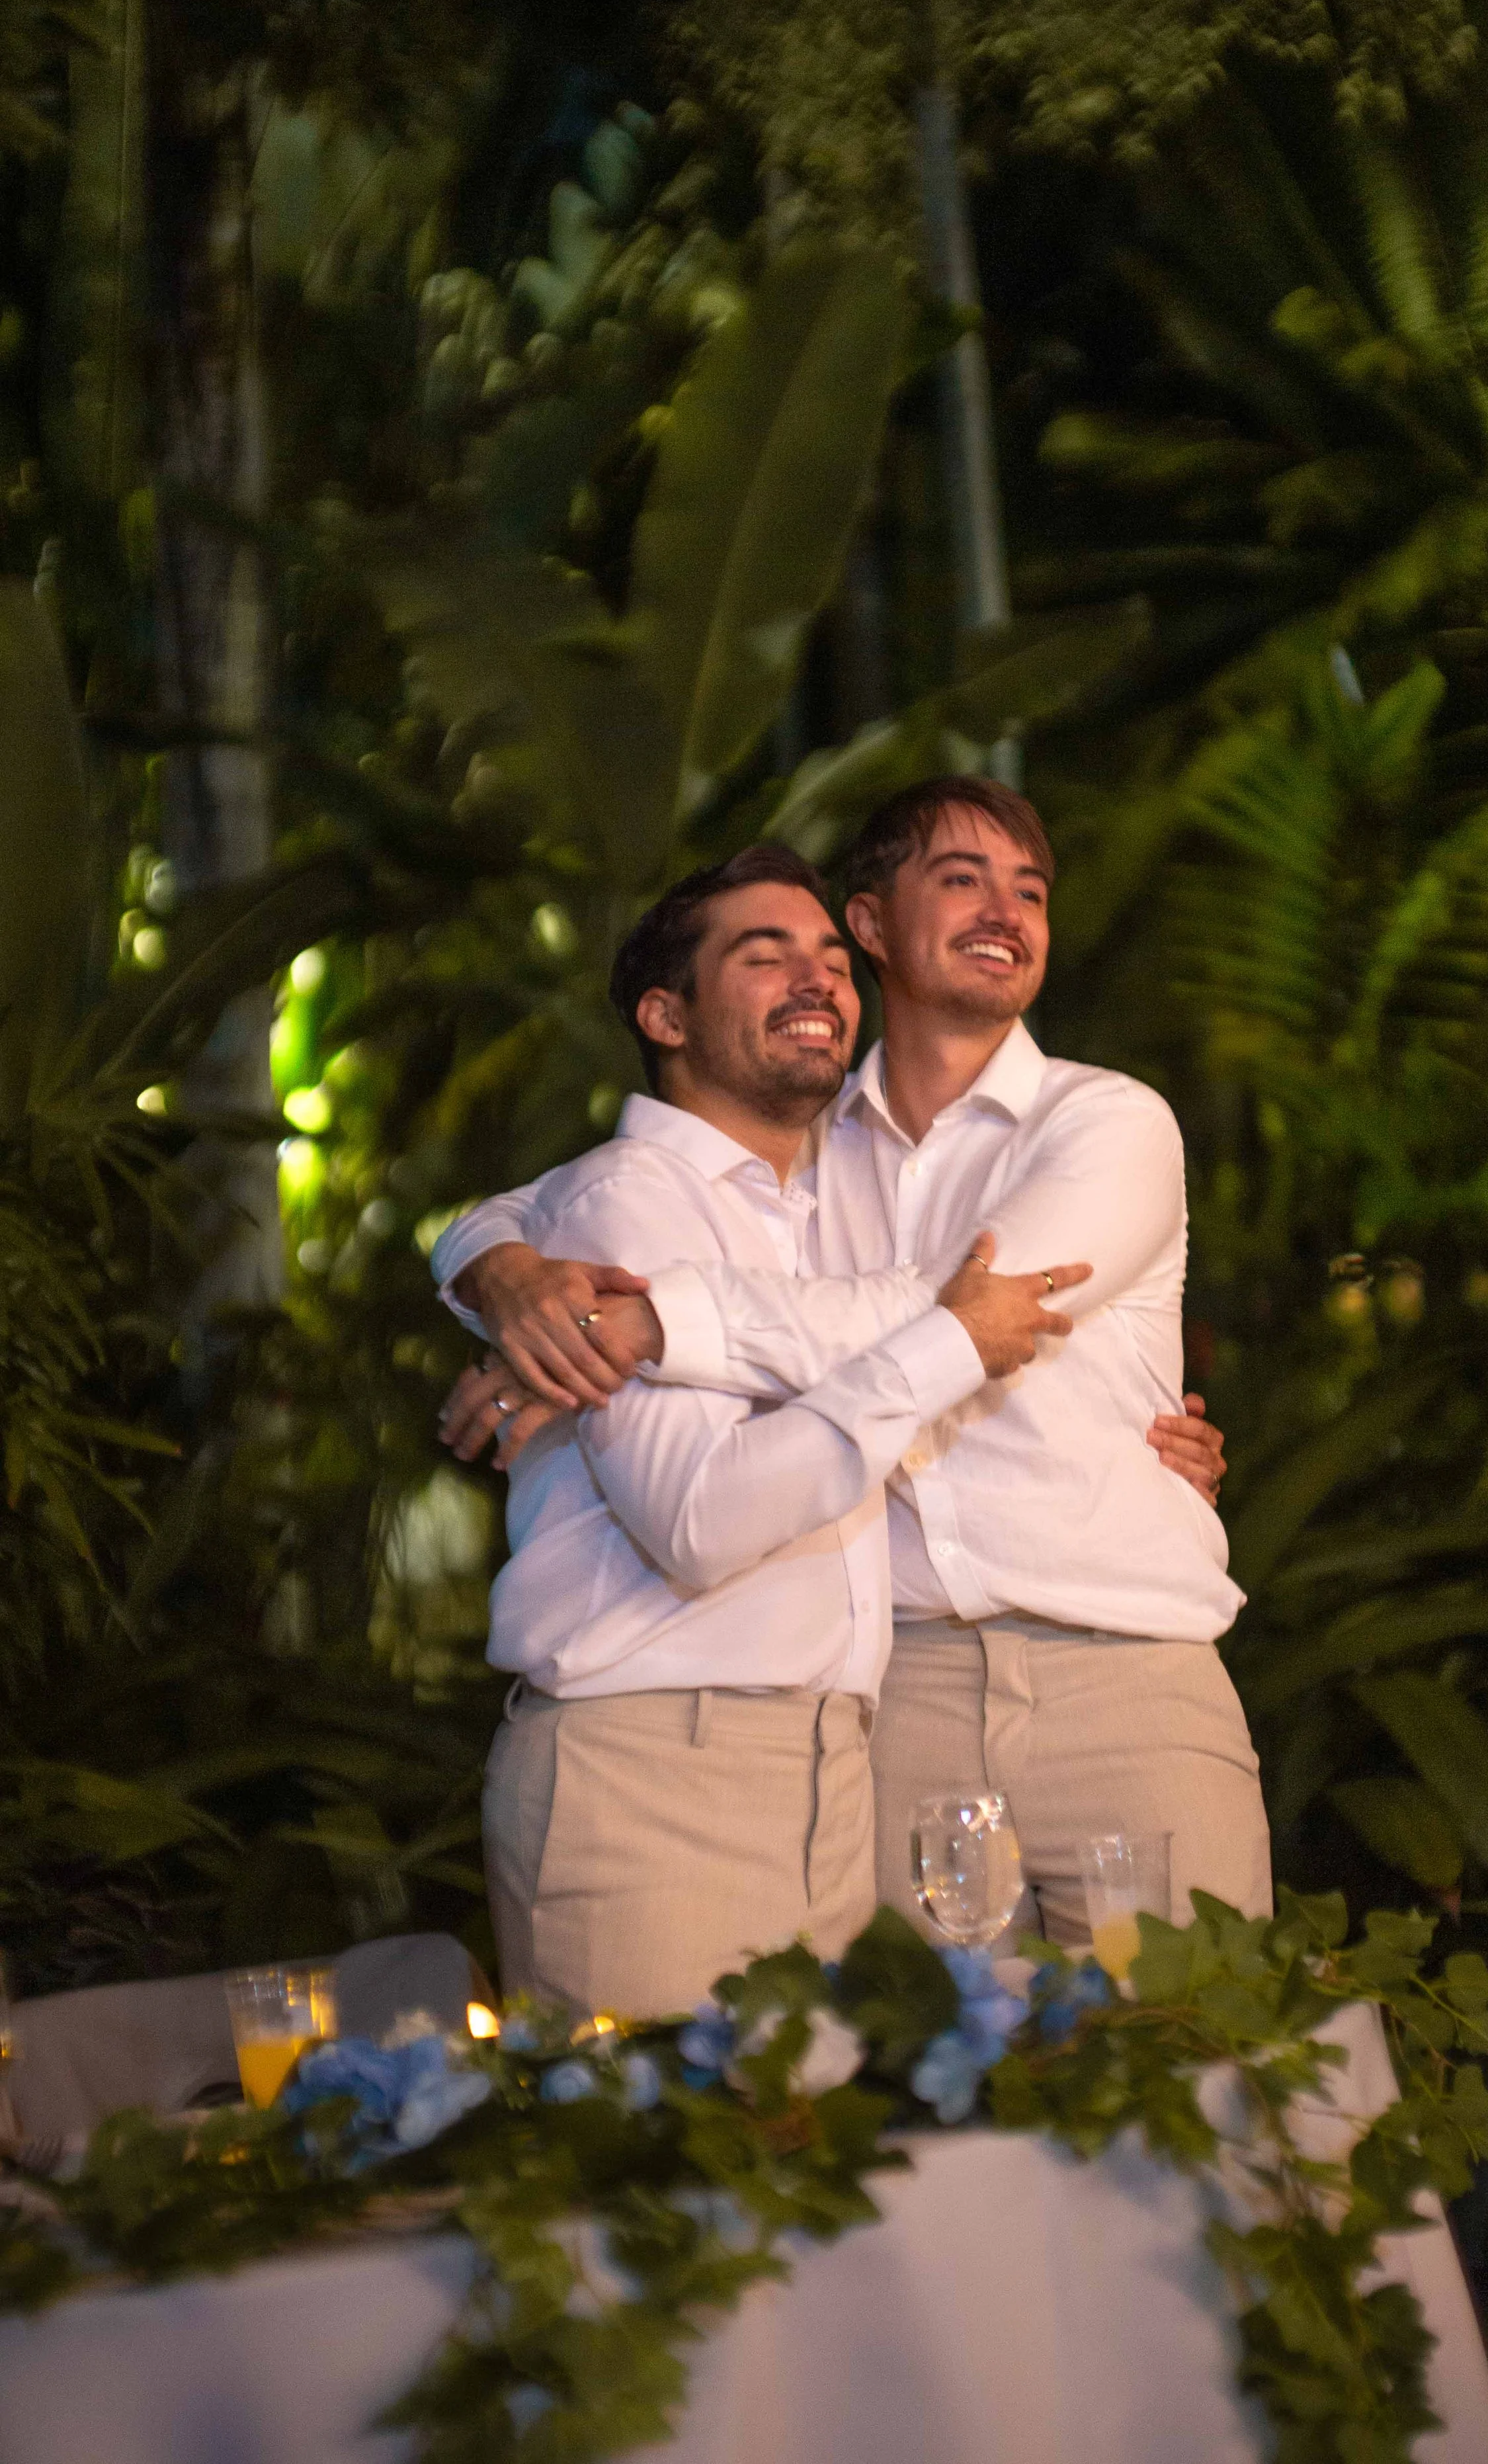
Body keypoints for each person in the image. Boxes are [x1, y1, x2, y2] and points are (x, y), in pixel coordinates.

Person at [439, 777, 1269, 1946]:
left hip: (1122, 1670)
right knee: (938, 2092)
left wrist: (648, 1320)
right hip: (897, 1698)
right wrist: (505, 1270)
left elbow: (964, 1307)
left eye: (1030, 889)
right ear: (874, 926)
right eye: (963, 879)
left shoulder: (1109, 1121)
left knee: (1204, 2069)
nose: (1007, 910)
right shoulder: (803, 1150)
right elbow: (564, 1198)